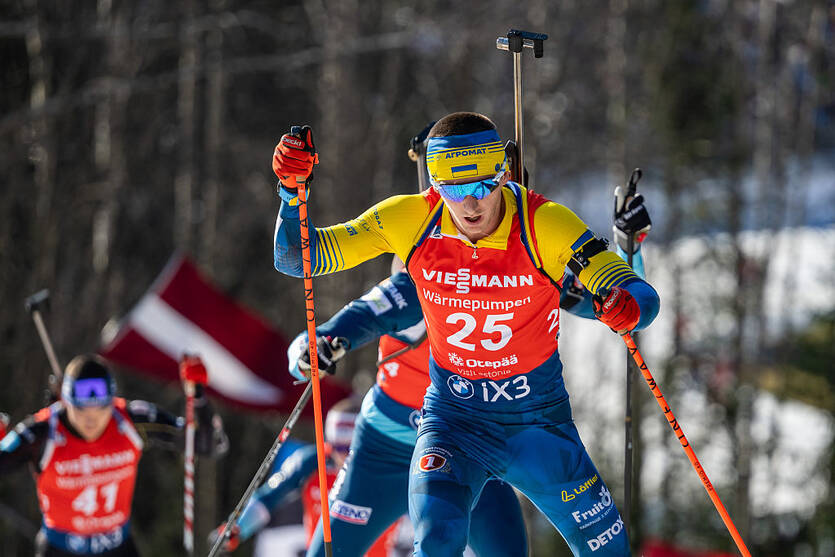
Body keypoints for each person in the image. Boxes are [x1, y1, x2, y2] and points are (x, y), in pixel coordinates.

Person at [272, 112, 660, 556]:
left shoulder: (544, 227)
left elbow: (629, 295)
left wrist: (624, 296)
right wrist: (290, 193)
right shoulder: (413, 224)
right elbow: (298, 259)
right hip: (451, 423)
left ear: (503, 175)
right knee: (437, 542)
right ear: (435, 184)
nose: (471, 205)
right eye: (454, 190)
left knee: (608, 550)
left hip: (535, 425)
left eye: (482, 186)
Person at [0, 354, 227, 557]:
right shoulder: (43, 430)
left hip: (118, 549)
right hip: (61, 550)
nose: (92, 420)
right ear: (65, 401)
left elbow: (208, 444)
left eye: (100, 410)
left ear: (111, 402)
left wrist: (197, 394)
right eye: (81, 410)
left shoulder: (130, 419)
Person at [210, 398, 399, 556]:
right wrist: (238, 528)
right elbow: (270, 496)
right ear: (329, 443)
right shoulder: (312, 461)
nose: (345, 457)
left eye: (351, 449)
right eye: (339, 448)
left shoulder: (386, 467)